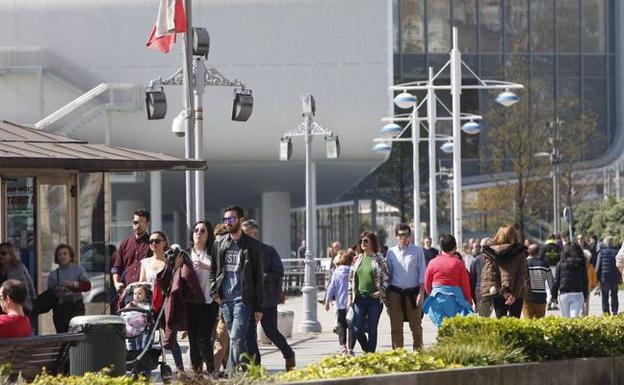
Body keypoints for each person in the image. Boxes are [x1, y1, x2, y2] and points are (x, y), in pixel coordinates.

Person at [210, 205, 264, 370]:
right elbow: (214, 271)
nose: (228, 223)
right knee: (243, 339)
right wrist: (215, 292)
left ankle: (237, 374)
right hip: (226, 301)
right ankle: (248, 371)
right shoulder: (219, 244)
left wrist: (259, 307)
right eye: (225, 219)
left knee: (235, 338)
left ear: (241, 221)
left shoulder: (252, 246)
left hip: (243, 300)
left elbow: (258, 278)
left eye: (232, 219)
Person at [242, 219, 296, 371]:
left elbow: (278, 272)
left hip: (266, 300)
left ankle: (288, 353)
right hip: (247, 300)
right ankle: (255, 368)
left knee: (270, 331)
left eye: (246, 233)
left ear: (255, 233)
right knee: (249, 335)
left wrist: (260, 278)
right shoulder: (240, 251)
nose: (244, 237)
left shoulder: (268, 250)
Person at [147, 231, 185, 373]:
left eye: (157, 241)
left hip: (167, 304)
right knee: (147, 338)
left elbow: (176, 281)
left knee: (171, 338)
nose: (154, 244)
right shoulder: (145, 262)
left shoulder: (170, 260)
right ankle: (146, 367)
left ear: (164, 242)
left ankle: (180, 370)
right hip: (149, 306)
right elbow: (141, 283)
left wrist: (175, 267)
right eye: (151, 241)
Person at [384, 223, 426, 350]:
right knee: (396, 327)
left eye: (407, 235)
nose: (404, 238)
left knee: (416, 327)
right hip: (395, 293)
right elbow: (387, 273)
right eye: (401, 235)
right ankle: (398, 355)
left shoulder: (417, 251)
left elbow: (422, 273)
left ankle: (418, 352)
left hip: (413, 294)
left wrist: (421, 293)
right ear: (396, 236)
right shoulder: (391, 252)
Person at [186, 220, 220, 374]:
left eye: (203, 231)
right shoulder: (186, 254)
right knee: (193, 340)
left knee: (203, 337)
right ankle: (197, 373)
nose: (198, 233)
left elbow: (222, 272)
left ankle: (211, 369)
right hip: (191, 302)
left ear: (208, 235)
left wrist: (208, 266)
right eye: (196, 230)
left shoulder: (213, 252)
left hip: (209, 301)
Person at [348, 231, 388, 353]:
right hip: (359, 299)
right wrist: (350, 297)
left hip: (374, 299)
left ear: (372, 243)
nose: (363, 243)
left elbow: (386, 278)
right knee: (357, 329)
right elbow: (350, 279)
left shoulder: (379, 259)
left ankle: (371, 356)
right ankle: (368, 350)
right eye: (361, 241)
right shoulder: (357, 259)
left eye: (366, 241)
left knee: (372, 329)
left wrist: (381, 291)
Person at [423, 234, 473, 327]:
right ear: (455, 247)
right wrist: (468, 300)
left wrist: (431, 295)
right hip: (455, 300)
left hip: (436, 299)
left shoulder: (432, 262)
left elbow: (427, 283)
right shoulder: (459, 263)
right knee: (454, 329)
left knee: (442, 328)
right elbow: (465, 284)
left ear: (441, 247)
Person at [481, 225, 528, 318]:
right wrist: (514, 295)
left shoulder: (490, 253)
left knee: (501, 322)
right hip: (517, 294)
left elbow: (491, 276)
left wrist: (504, 293)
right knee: (515, 323)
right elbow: (522, 276)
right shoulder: (520, 252)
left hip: (498, 293)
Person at [47, 244, 91, 333]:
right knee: (62, 335)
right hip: (60, 309)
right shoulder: (53, 274)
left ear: (70, 256)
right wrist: (58, 291)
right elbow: (50, 294)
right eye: (59, 254)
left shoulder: (78, 270)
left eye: (65, 254)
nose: (62, 256)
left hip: (76, 307)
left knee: (76, 335)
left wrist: (73, 284)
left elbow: (87, 286)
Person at [111, 209, 151, 293]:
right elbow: (117, 268)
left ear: (147, 224)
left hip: (146, 291)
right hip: (127, 290)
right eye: (135, 222)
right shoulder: (124, 244)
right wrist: (116, 283)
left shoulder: (153, 243)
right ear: (132, 223)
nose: (138, 225)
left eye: (142, 222)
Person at [324, 251, 354, 355]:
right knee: (351, 326)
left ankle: (343, 346)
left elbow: (331, 288)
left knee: (341, 325)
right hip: (351, 303)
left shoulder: (336, 272)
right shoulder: (352, 271)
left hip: (340, 303)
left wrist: (327, 301)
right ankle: (351, 348)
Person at [551, 243, 588, 318]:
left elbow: (556, 281)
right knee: (574, 317)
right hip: (578, 293)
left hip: (564, 293)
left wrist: (554, 296)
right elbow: (585, 280)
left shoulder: (560, 264)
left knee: (565, 319)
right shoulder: (581, 264)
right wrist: (585, 295)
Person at [0, 242, 36, 318]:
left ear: (10, 254)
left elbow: (29, 285)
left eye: (3, 253)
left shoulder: (19, 268)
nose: (0, 256)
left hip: (19, 304)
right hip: (3, 304)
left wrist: (32, 301)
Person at [211, 224, 229, 372]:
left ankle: (214, 373)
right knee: (220, 339)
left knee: (221, 337)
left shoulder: (234, 258)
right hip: (211, 305)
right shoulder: (211, 256)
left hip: (227, 304)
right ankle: (225, 366)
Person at [522, 243, 553, 319]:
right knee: (540, 322)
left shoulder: (523, 263)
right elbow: (551, 281)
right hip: (541, 297)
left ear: (528, 252)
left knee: (528, 323)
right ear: (539, 252)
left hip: (527, 296)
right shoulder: (545, 264)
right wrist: (553, 296)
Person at [595, 236, 620, 315]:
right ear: (612, 243)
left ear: (605, 243)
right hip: (614, 278)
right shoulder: (617, 252)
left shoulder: (601, 252)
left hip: (604, 278)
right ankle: (615, 311)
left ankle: (606, 313)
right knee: (614, 294)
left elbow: (598, 266)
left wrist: (597, 278)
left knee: (605, 296)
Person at [123, 284, 151, 350]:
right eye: (135, 294)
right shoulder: (130, 304)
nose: (137, 296)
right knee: (129, 337)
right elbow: (124, 312)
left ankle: (141, 350)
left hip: (141, 326)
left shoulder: (146, 304)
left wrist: (137, 307)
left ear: (145, 296)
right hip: (130, 325)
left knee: (141, 339)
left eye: (140, 294)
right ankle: (131, 350)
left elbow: (147, 312)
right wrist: (128, 307)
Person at [469, 238, 491, 317]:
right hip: (482, 295)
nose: (482, 248)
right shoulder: (476, 261)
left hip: (496, 296)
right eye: (481, 246)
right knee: (484, 320)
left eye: (485, 246)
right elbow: (472, 281)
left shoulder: (497, 260)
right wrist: (474, 300)